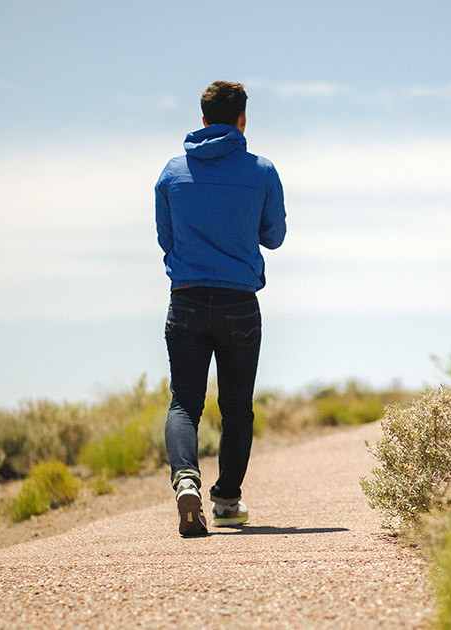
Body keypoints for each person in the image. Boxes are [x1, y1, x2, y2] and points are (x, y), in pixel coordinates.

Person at [155, 81, 286, 537]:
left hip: (186, 299)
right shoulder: (262, 171)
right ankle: (227, 501)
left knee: (184, 404)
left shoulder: (172, 173)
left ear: (204, 120)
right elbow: (275, 235)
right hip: (238, 304)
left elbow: (165, 240)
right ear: (242, 120)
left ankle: (185, 479)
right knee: (236, 407)